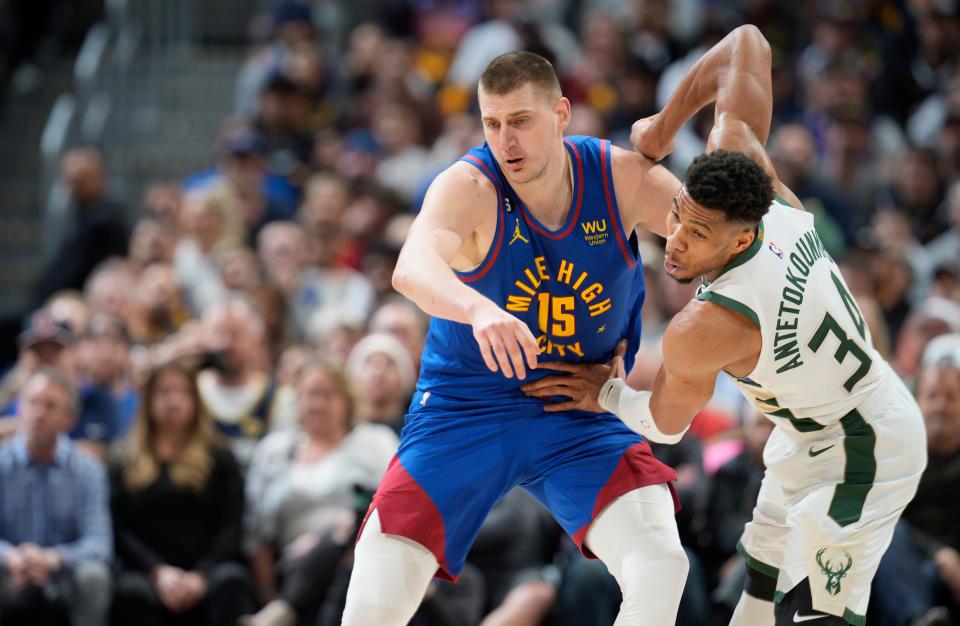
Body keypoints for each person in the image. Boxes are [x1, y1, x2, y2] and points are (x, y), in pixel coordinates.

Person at [523, 25, 928, 626]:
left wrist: (605, 392)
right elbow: (747, 44)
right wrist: (661, 129)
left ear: (741, 237)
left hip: (865, 447)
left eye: (698, 234)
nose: (676, 244)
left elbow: (663, 422)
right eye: (679, 217)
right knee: (755, 599)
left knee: (823, 613)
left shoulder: (709, 323)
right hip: (811, 431)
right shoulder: (762, 189)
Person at [340, 50, 687, 626]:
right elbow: (413, 266)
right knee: (375, 597)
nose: (506, 141)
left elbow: (720, 246)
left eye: (521, 121)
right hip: (468, 404)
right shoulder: (470, 184)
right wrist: (479, 310)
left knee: (662, 563)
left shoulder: (618, 177)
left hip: (576, 401)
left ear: (561, 114)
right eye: (492, 124)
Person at [110, 362, 255, 626]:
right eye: (164, 392)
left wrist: (202, 574)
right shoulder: (124, 459)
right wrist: (157, 571)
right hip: (147, 570)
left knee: (232, 580)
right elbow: (119, 529)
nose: (173, 401)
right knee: (130, 592)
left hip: (207, 568)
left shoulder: (220, 457)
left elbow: (232, 526)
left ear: (196, 401)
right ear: (148, 401)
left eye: (183, 392)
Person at [0, 369, 112, 626]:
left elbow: (99, 544)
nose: (38, 412)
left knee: (94, 576)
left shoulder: (89, 470)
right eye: (31, 403)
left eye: (50, 406)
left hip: (63, 575)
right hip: (9, 572)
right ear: (18, 409)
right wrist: (11, 557)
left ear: (70, 419)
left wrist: (52, 559)